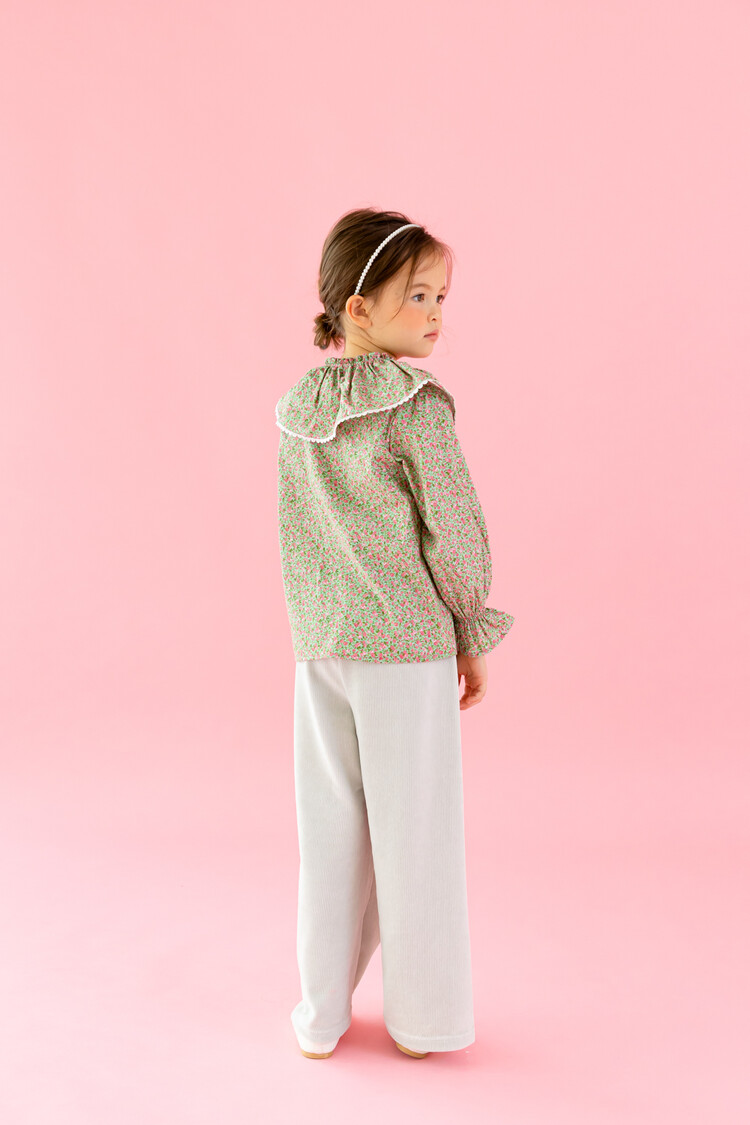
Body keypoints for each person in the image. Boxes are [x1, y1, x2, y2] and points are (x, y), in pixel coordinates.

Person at [275, 208, 515, 1060]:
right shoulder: (417, 407)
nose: (437, 312)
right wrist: (470, 627)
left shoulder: (297, 409)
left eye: (442, 296)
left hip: (322, 645)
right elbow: (454, 530)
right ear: (358, 307)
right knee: (416, 835)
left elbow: (299, 531)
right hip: (405, 649)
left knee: (329, 832)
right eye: (418, 295)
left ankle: (320, 1016)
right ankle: (425, 1019)